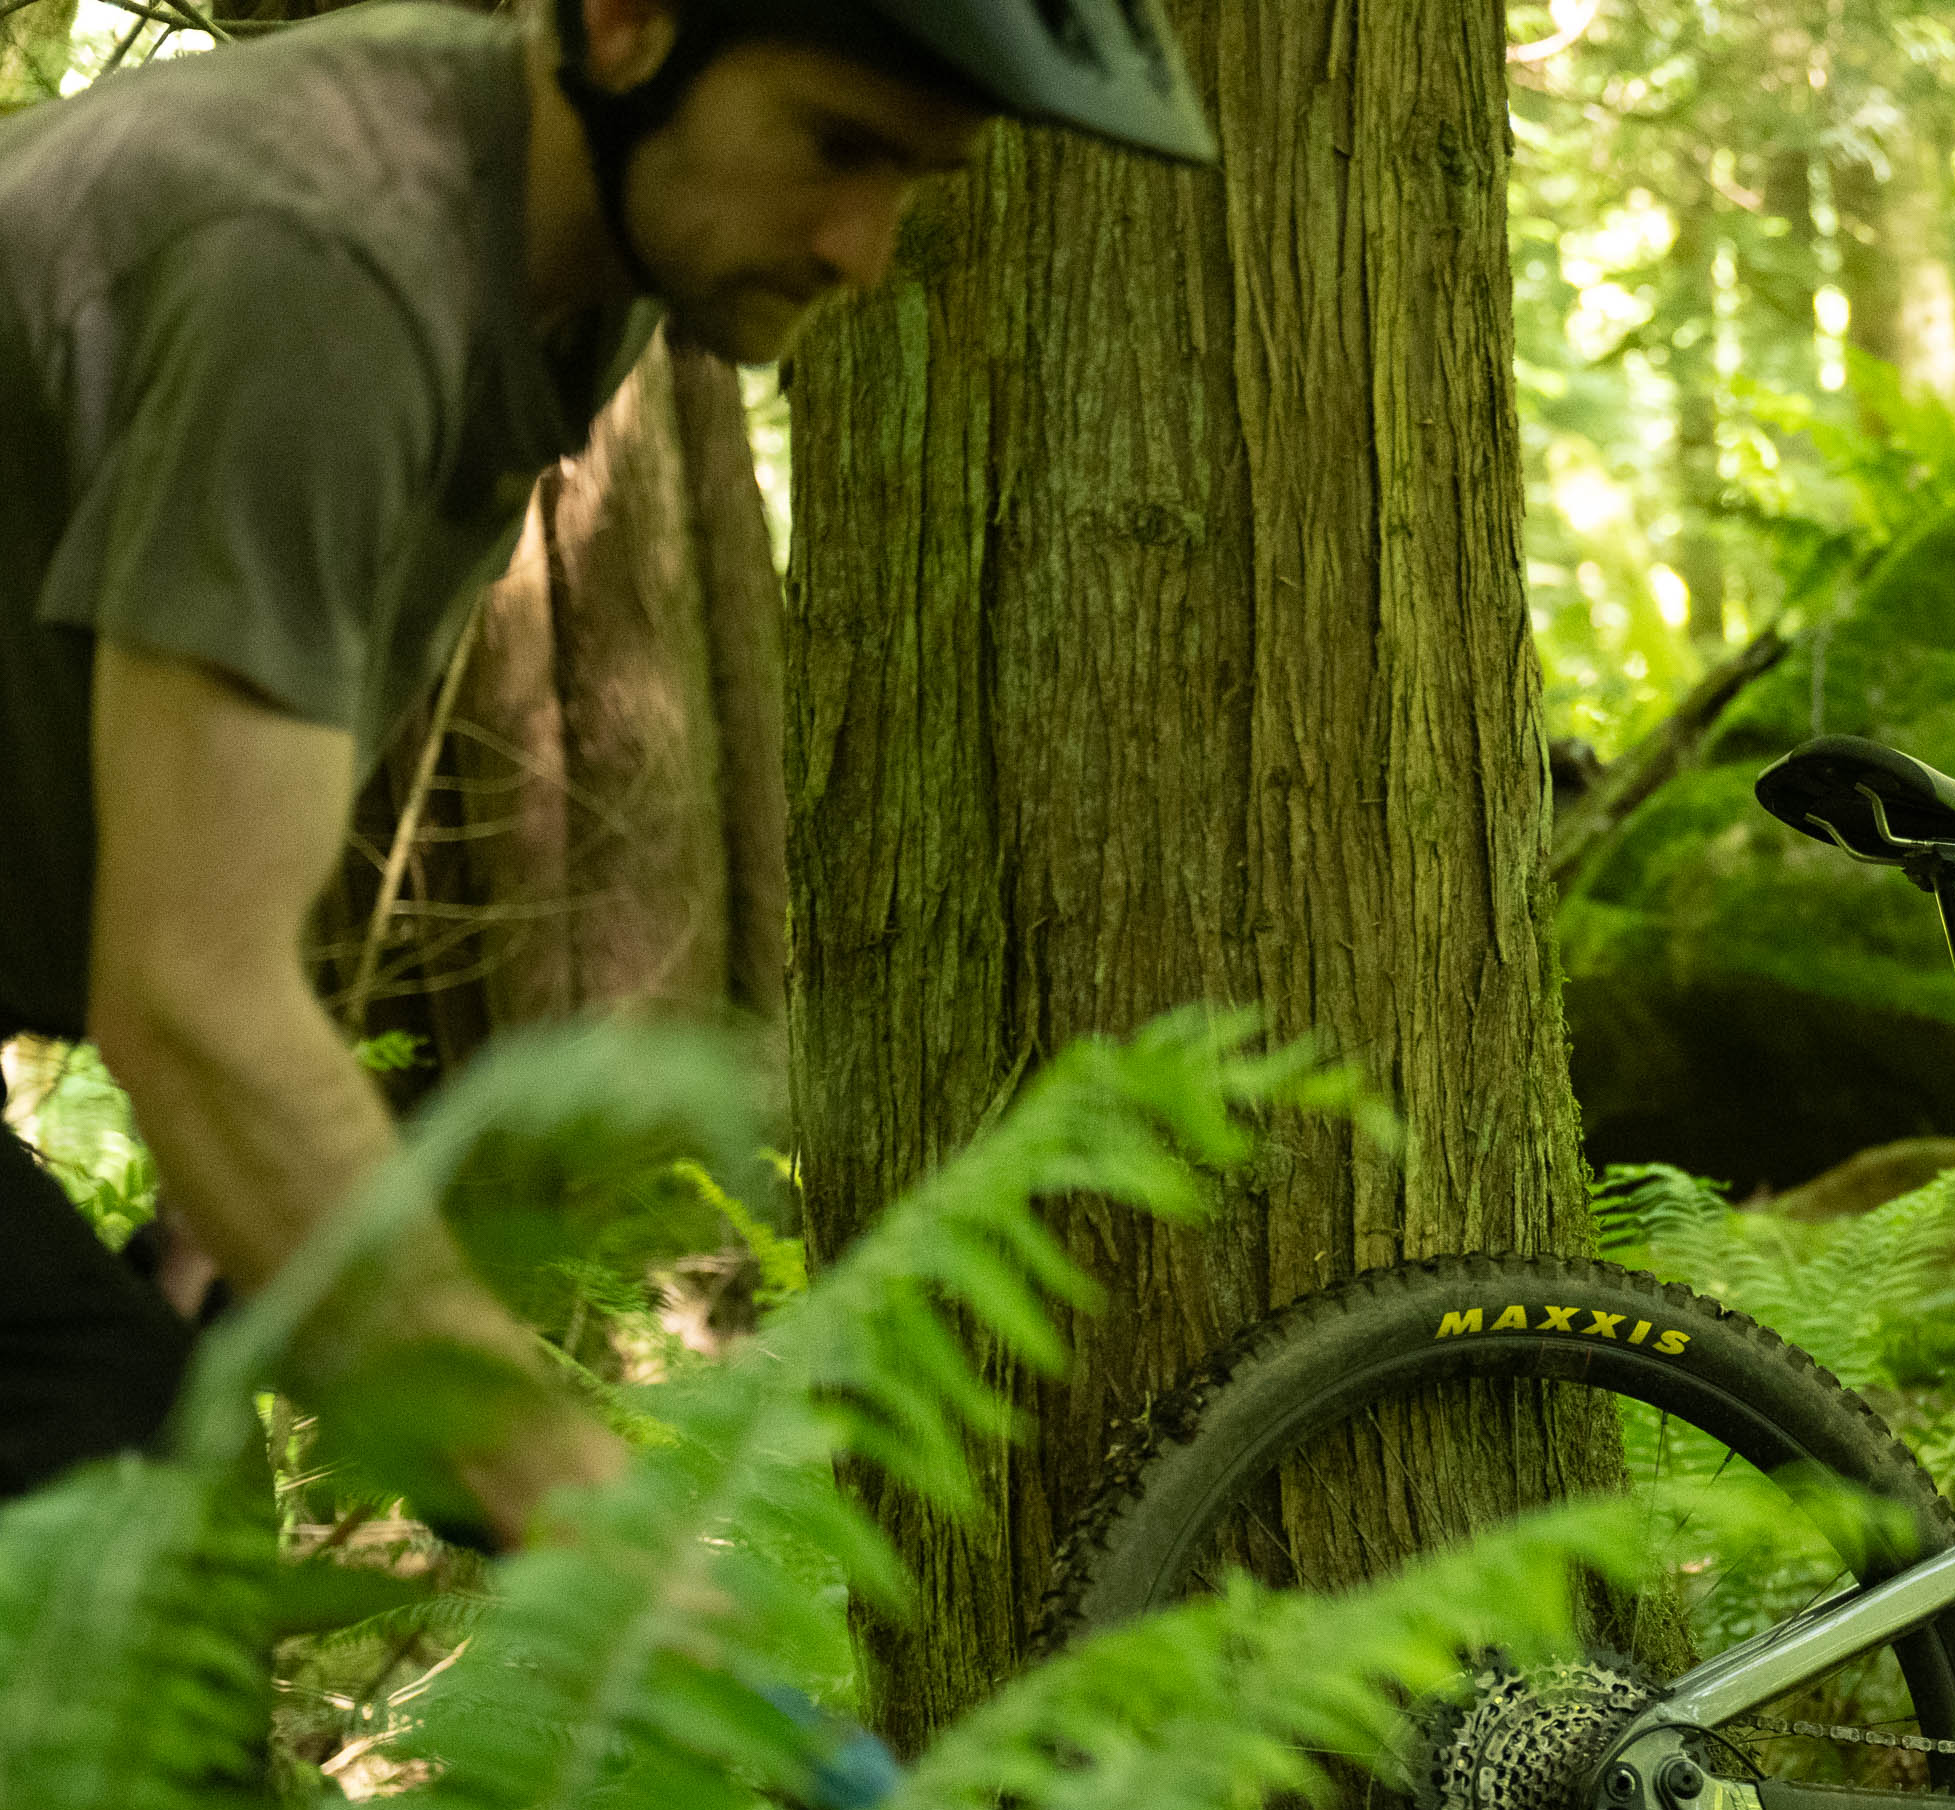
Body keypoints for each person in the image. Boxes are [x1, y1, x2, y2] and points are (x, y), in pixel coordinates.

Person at [0, 0, 1212, 1540]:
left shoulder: (573, 265)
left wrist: (236, 1207)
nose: (862, 245)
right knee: (105, 1504)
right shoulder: (330, 264)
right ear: (630, 25)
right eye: (834, 146)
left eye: (915, 181)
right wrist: (564, 1498)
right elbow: (188, 995)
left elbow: (211, 807)